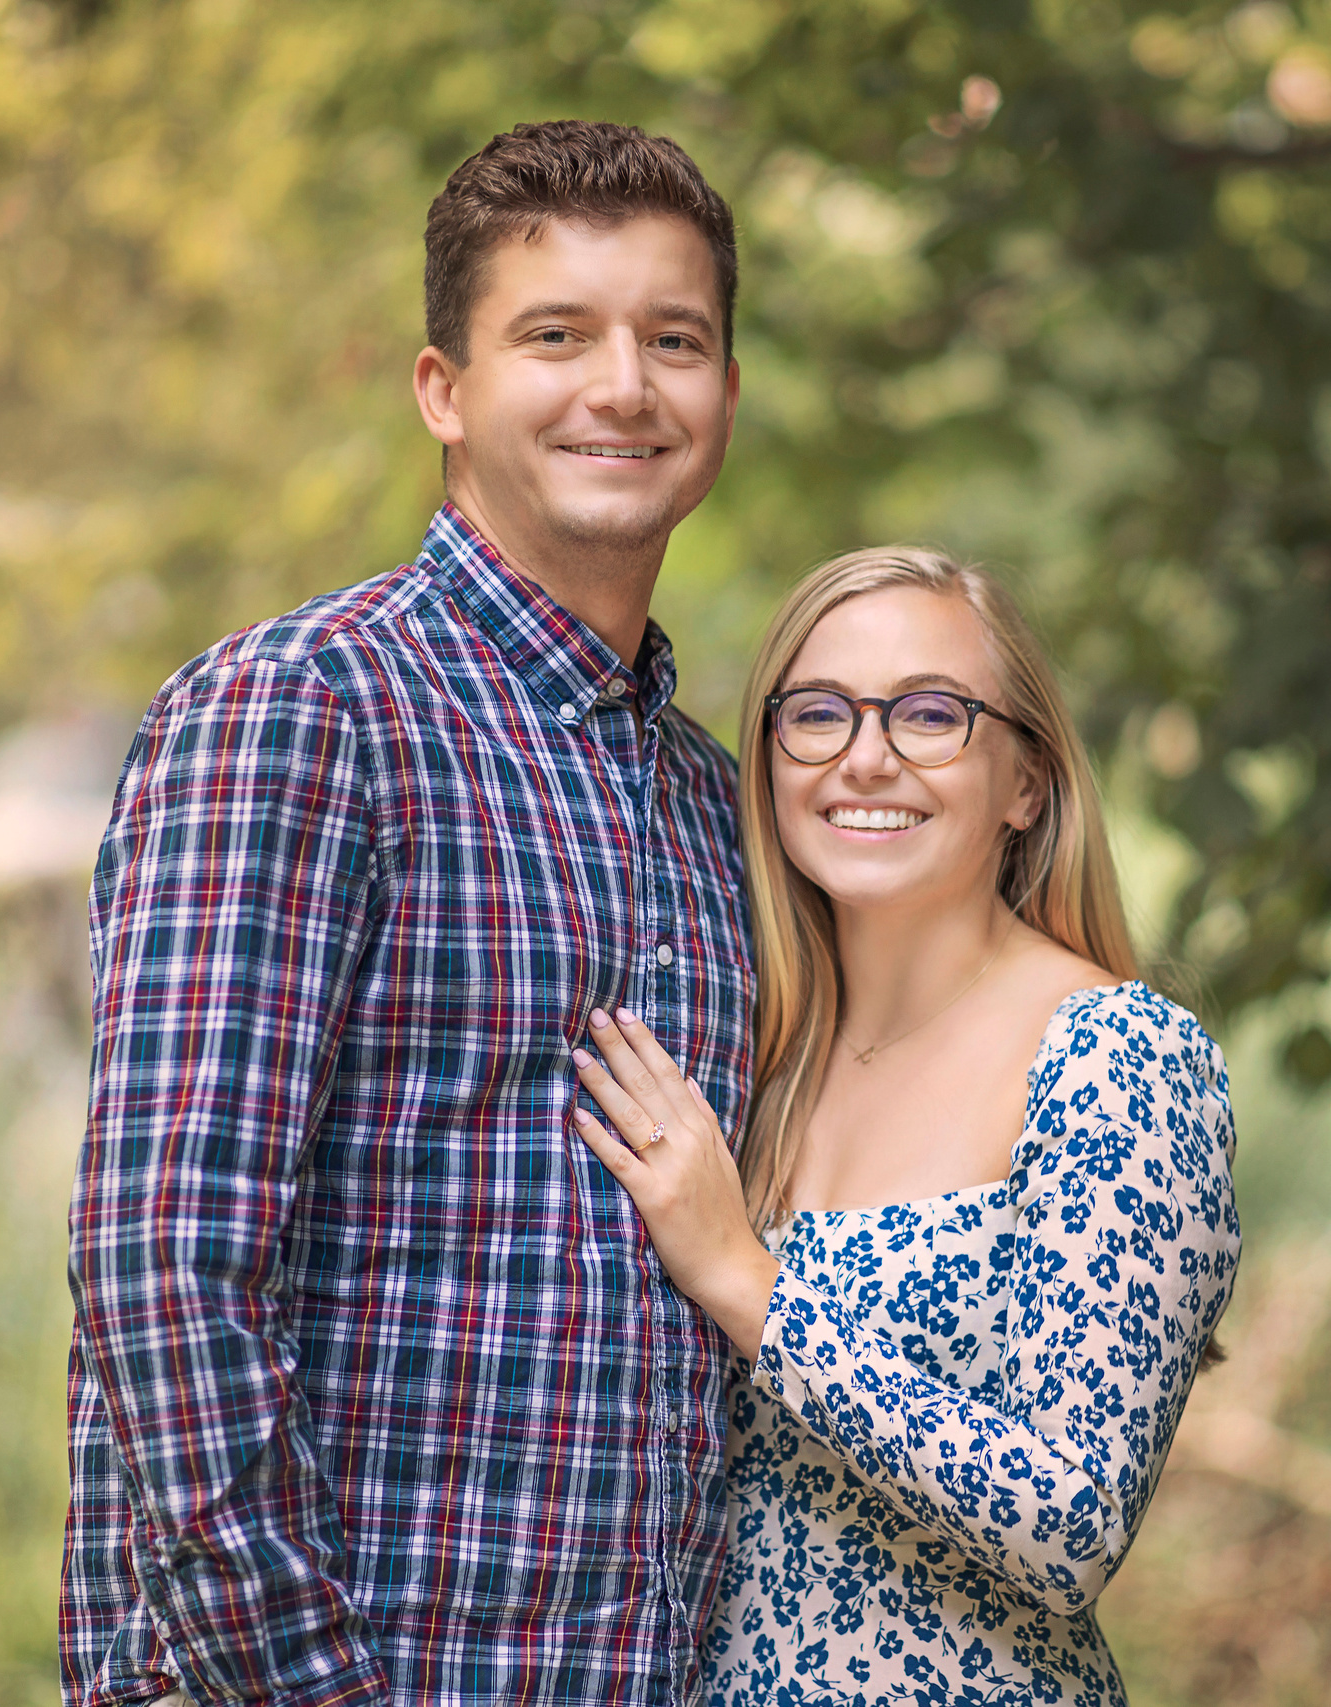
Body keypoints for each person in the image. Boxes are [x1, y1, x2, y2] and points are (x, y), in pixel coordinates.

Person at [62, 122, 751, 1707]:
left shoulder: (715, 808)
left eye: (674, 340)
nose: (624, 386)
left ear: (727, 392)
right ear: (443, 389)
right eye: (556, 335)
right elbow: (166, 1262)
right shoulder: (302, 711)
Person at [569, 547, 1242, 1705]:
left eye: (930, 714)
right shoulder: (755, 1054)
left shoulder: (1112, 1058)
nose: (865, 757)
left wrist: (745, 1283)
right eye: (816, 714)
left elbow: (1071, 1523)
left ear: (1026, 781)